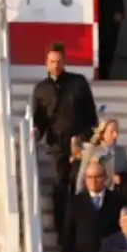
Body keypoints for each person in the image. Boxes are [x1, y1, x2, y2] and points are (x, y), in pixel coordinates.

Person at [30, 43, 99, 225]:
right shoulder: (41, 89)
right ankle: (61, 227)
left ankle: (79, 224)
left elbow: (91, 115)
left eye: (59, 61)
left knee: (79, 185)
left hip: (79, 144)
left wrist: (84, 139)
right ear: (46, 63)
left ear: (65, 61)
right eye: (52, 61)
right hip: (56, 146)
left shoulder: (79, 83)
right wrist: (34, 135)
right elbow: (39, 120)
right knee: (60, 184)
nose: (56, 65)